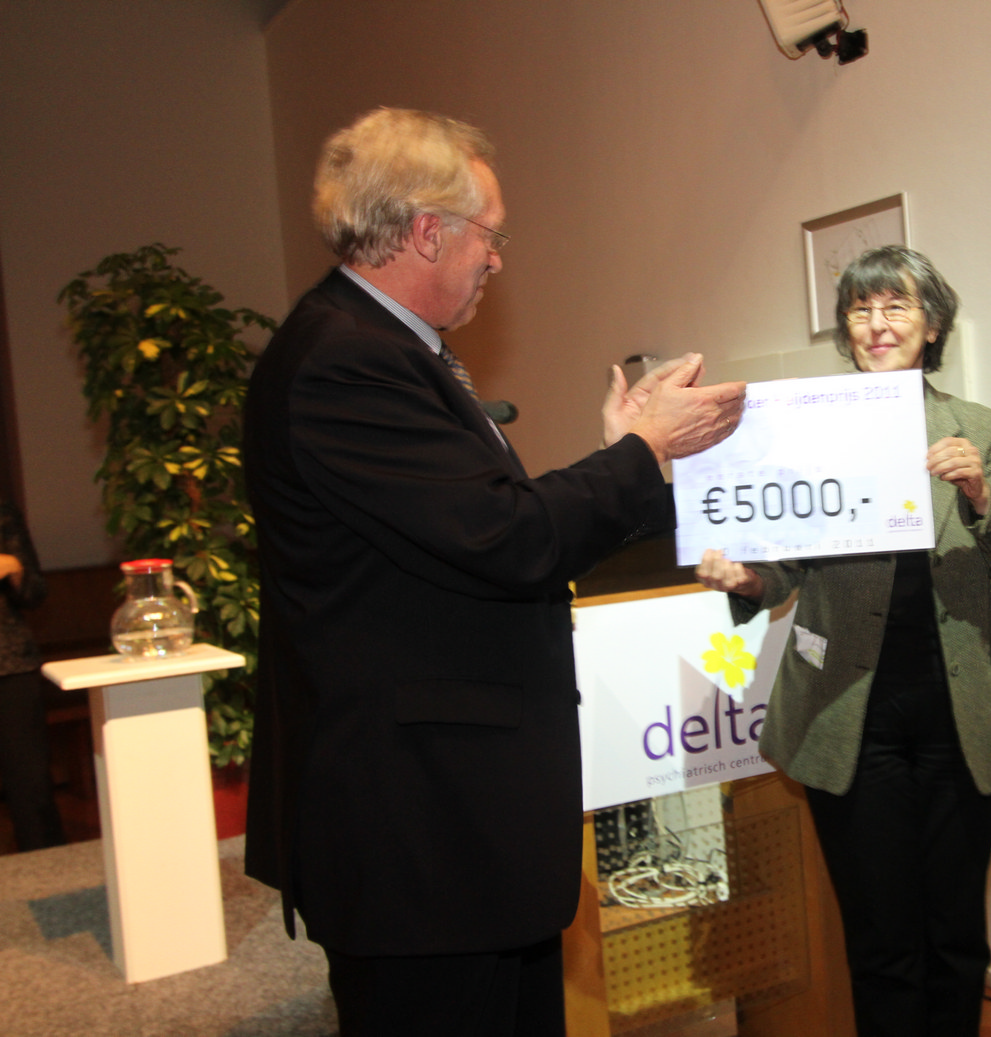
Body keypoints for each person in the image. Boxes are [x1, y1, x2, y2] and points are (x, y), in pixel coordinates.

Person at [242, 107, 746, 1037]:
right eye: (490, 234)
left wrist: (620, 449)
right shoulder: (344, 362)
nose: (497, 259)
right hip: (415, 826)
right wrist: (641, 450)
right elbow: (507, 538)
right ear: (427, 231)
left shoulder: (386, 347)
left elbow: (471, 524)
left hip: (455, 820)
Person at [696, 246, 991, 1037]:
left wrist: (981, 496)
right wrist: (745, 578)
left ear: (933, 325)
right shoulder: (805, 429)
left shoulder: (980, 431)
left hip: (960, 716)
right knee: (882, 944)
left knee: (955, 938)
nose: (877, 324)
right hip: (846, 716)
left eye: (896, 306)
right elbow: (780, 566)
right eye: (860, 309)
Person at [0, 497, 65, 852]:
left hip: (9, 662)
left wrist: (15, 569)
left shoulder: (2, 511)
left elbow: (36, 592)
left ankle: (48, 870)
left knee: (31, 784)